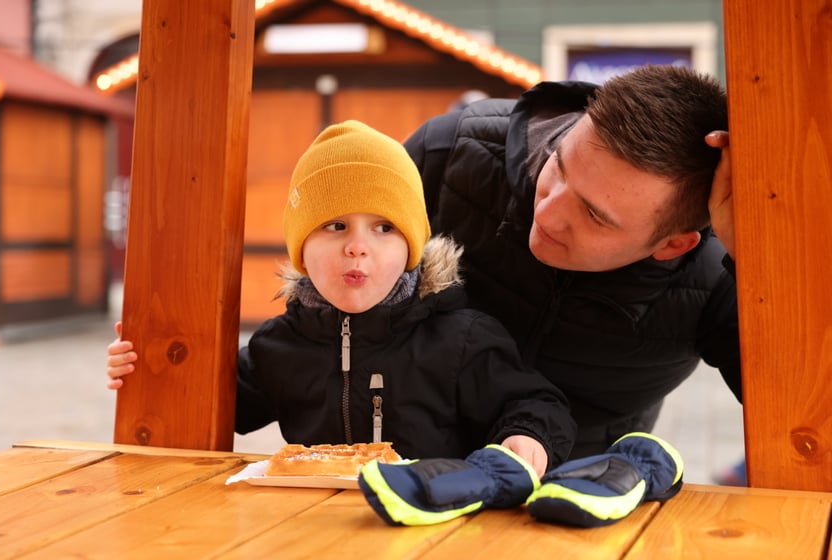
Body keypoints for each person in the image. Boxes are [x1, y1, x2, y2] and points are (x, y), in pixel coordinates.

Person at [106, 120, 576, 475]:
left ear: (411, 247)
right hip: (316, 530)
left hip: (434, 528)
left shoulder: (460, 338)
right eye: (335, 226)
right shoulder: (279, 346)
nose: (357, 245)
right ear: (301, 249)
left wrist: (526, 436)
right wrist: (151, 368)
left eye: (384, 228)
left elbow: (535, 403)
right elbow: (212, 402)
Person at [403, 64, 739, 458]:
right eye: (558, 166)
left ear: (672, 246)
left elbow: (800, 413)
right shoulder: (448, 152)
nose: (547, 212)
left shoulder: (716, 274)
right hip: (404, 464)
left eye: (594, 215)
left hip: (575, 492)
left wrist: (752, 262)